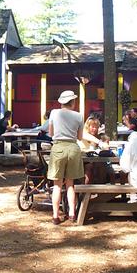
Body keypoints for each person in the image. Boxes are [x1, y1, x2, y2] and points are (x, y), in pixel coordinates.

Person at [48, 90, 84, 225]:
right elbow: (80, 137)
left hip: (58, 147)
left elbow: (51, 133)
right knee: (70, 184)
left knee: (57, 185)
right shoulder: (79, 116)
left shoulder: (54, 113)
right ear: (73, 102)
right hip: (73, 148)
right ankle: (72, 214)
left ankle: (55, 216)